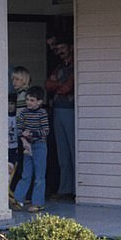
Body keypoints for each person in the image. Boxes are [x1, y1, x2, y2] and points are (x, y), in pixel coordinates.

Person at [45, 37, 75, 201]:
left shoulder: (76, 65)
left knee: (73, 150)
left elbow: (67, 87)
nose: (60, 51)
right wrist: (58, 85)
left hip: (70, 110)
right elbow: (47, 84)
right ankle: (65, 189)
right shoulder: (59, 67)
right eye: (57, 48)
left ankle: (78, 190)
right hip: (57, 110)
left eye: (62, 47)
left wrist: (58, 85)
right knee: (62, 152)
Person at [14, 86, 50, 213]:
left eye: (32, 100)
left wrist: (32, 133)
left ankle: (38, 203)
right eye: (28, 99)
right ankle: (17, 200)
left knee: (39, 176)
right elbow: (19, 128)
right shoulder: (23, 113)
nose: (29, 102)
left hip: (39, 146)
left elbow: (46, 131)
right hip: (26, 146)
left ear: (39, 102)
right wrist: (24, 138)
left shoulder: (42, 113)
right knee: (26, 174)